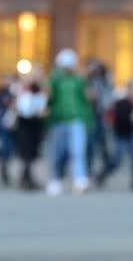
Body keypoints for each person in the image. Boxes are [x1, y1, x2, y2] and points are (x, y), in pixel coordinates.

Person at [47, 49, 93, 196]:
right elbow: (48, 97)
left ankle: (80, 179)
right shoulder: (54, 79)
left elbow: (88, 99)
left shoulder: (79, 80)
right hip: (59, 119)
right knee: (58, 152)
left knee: (77, 151)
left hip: (77, 119)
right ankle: (56, 179)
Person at [96, 82, 133, 192]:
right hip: (121, 134)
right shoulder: (121, 102)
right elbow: (118, 119)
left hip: (132, 134)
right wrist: (131, 119)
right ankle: (102, 174)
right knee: (117, 159)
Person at [15, 74, 47, 191]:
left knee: (32, 154)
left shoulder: (41, 94)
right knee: (26, 154)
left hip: (35, 126)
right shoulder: (22, 93)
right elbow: (20, 109)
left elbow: (43, 109)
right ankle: (27, 178)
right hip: (25, 126)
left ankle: (25, 177)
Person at [86, 59, 114, 176]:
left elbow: (109, 97)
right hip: (90, 116)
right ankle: (88, 169)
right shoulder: (88, 81)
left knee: (104, 146)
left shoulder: (105, 82)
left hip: (101, 116)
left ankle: (104, 170)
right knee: (90, 145)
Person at [0, 74, 17, 186]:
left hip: (12, 125)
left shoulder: (14, 94)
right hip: (1, 125)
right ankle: (3, 166)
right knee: (3, 146)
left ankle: (5, 165)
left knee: (10, 148)